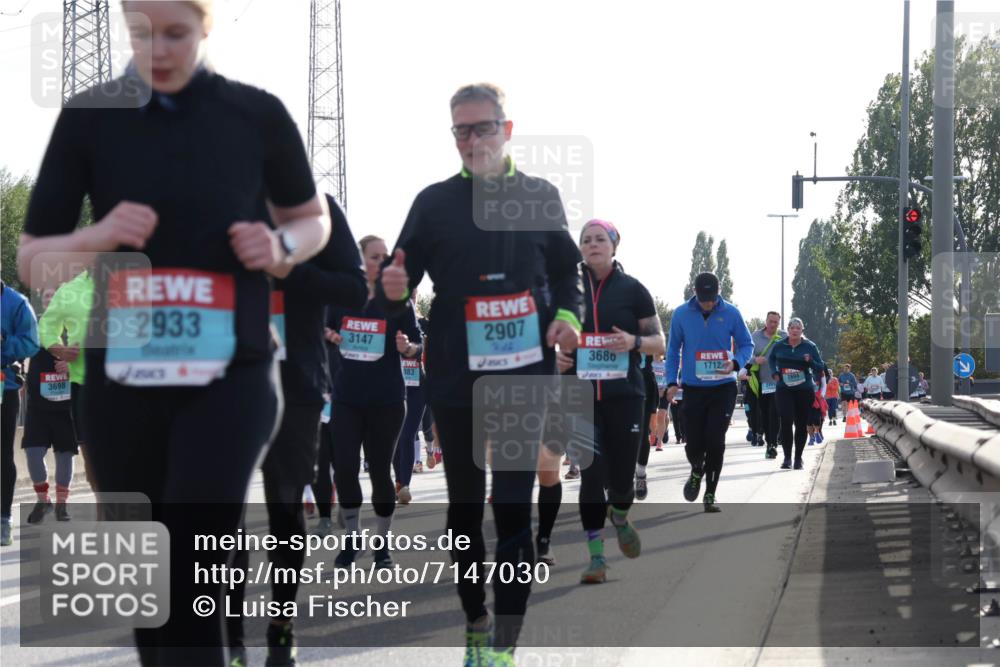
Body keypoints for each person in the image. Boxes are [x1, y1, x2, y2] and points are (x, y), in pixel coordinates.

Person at [18, 2, 331, 662]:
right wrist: (101, 235)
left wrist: (279, 243)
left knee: (192, 542)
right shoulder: (90, 117)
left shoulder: (256, 114)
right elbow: (33, 255)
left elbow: (314, 220)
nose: (156, 48)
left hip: (232, 368)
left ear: (207, 28)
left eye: (176, 34)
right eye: (139, 33)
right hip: (122, 372)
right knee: (142, 563)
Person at [378, 83, 583, 664]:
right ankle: (475, 618)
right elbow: (401, 279)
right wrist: (401, 312)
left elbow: (567, 271)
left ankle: (504, 645)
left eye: (482, 128)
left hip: (524, 371)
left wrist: (566, 316)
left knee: (511, 503)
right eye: (460, 130)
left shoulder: (539, 196)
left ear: (507, 129)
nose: (472, 140)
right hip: (456, 372)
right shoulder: (433, 203)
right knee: (465, 508)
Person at [226, 193, 366, 667]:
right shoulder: (208, 195)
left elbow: (355, 288)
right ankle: (231, 642)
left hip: (295, 382)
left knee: (285, 509)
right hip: (219, 380)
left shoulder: (315, 209)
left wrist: (290, 271)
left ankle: (281, 625)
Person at [554, 219, 665, 583]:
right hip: (581, 395)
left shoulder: (634, 291)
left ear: (614, 246)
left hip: (625, 396)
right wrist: (554, 355)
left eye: (600, 238)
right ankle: (596, 557)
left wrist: (633, 342)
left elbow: (658, 344)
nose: (592, 244)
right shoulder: (567, 291)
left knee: (620, 479)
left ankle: (620, 514)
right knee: (590, 475)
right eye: (586, 239)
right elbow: (548, 334)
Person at [329, 235, 421, 569]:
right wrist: (329, 336)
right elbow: (320, 331)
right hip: (346, 398)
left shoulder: (399, 300)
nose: (381, 262)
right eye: (374, 256)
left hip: (387, 399)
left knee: (381, 470)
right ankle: (352, 542)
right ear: (360, 260)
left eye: (386, 257)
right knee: (346, 469)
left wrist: (406, 347)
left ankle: (382, 547)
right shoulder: (341, 297)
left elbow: (417, 345)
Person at [665, 273, 753, 513]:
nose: (708, 303)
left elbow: (747, 344)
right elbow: (673, 350)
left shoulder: (732, 313)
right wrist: (671, 381)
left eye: (711, 299)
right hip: (693, 388)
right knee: (693, 444)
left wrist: (735, 363)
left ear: (718, 292)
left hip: (723, 387)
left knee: (715, 441)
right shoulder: (681, 314)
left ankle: (710, 494)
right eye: (703, 299)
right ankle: (696, 469)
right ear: (695, 292)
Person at [36, 268, 95, 491]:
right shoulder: (69, 290)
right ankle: (104, 510)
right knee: (92, 457)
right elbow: (46, 328)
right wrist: (60, 350)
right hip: (82, 385)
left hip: (124, 386)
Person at [23, 290, 78, 525]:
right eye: (46, 298)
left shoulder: (75, 327)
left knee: (65, 453)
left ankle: (62, 504)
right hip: (38, 405)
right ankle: (42, 499)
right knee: (33, 452)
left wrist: (73, 364)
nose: (50, 301)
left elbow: (91, 356)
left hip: (66, 406)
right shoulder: (35, 328)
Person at [1, 281, 40, 546]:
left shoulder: (16, 303)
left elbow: (30, 342)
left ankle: (4, 519)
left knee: (3, 455)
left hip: (4, 385)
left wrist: (4, 342)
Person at [768, 318, 826, 470]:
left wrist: (810, 361)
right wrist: (774, 372)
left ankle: (798, 458)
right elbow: (771, 358)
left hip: (804, 390)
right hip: (784, 388)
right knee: (786, 421)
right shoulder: (779, 345)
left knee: (801, 424)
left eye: (798, 328)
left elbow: (820, 367)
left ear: (802, 331)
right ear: (788, 329)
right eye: (792, 328)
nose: (795, 330)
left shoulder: (810, 346)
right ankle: (787, 458)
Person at [392, 291, 428, 504]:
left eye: (414, 294)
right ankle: (398, 480)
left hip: (417, 386)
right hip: (394, 385)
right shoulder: (386, 316)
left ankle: (404, 484)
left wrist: (411, 348)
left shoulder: (420, 323)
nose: (411, 298)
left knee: (408, 435)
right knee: (396, 437)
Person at [745, 311, 784, 459]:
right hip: (761, 383)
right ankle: (769, 441)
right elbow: (746, 356)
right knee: (765, 414)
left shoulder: (784, 336)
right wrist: (756, 360)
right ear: (766, 321)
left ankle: (773, 444)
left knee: (775, 413)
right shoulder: (755, 336)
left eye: (776, 322)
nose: (773, 324)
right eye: (771, 321)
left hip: (779, 382)